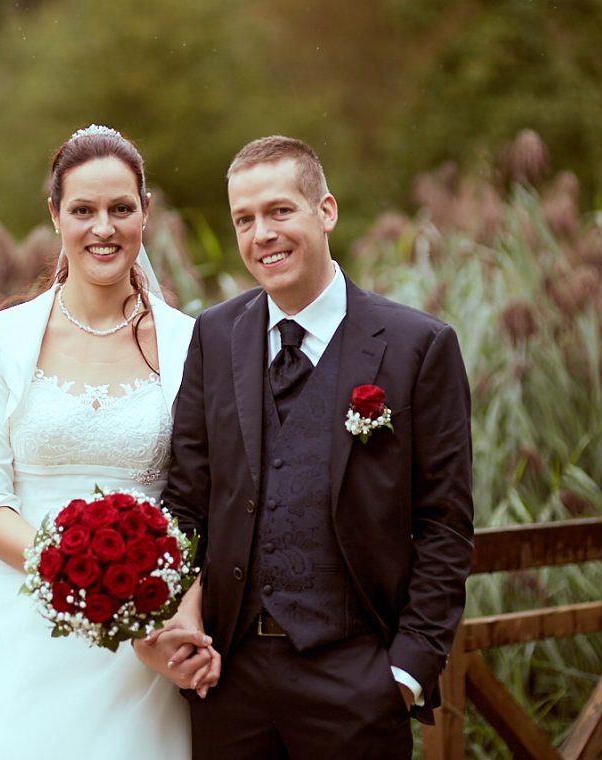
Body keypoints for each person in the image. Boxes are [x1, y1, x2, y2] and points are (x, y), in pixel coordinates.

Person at [0, 125, 218, 759]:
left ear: (145, 214)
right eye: (84, 210)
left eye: (121, 209)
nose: (104, 228)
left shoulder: (193, 342)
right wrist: (77, 570)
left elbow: (212, 497)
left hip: (147, 624)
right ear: (55, 215)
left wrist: (159, 606)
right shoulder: (1, 339)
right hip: (21, 615)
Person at [154, 136, 474, 759]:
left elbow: (445, 525)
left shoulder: (417, 346)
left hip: (356, 680)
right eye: (244, 220)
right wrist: (180, 616)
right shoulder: (215, 337)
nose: (261, 235)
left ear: (325, 212)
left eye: (279, 211)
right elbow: (185, 503)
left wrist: (404, 674)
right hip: (229, 681)